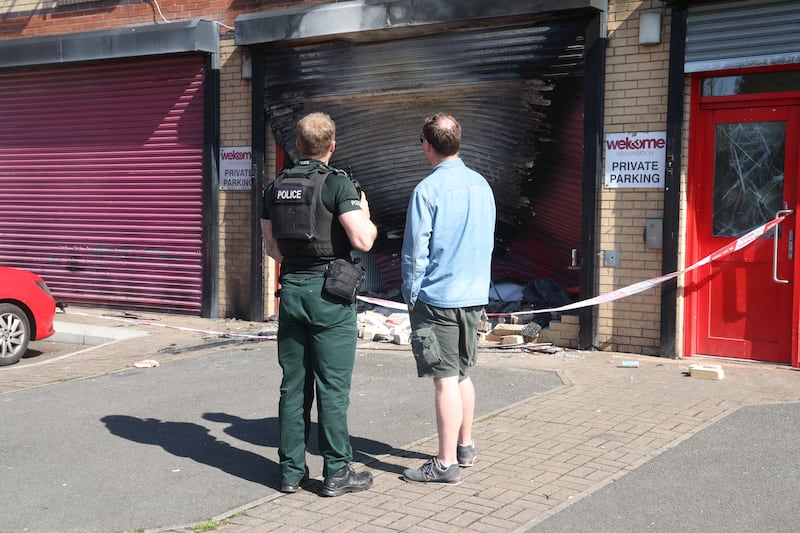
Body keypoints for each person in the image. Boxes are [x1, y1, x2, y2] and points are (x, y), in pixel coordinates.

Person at [261, 112, 378, 497]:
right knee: (332, 387)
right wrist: (363, 210)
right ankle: (337, 472)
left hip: (291, 291)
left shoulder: (275, 187)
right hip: (330, 296)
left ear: (297, 145)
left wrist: (300, 270)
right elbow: (363, 241)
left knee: (293, 387)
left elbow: (271, 247)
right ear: (332, 145)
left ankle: (291, 473)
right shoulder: (337, 184)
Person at [400, 113, 496, 485]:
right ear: (458, 141)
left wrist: (410, 294)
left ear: (427, 145)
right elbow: (487, 241)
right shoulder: (482, 185)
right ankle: (465, 446)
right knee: (462, 374)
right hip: (473, 295)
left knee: (444, 379)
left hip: (437, 297)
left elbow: (415, 252)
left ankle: (444, 464)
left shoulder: (427, 191)